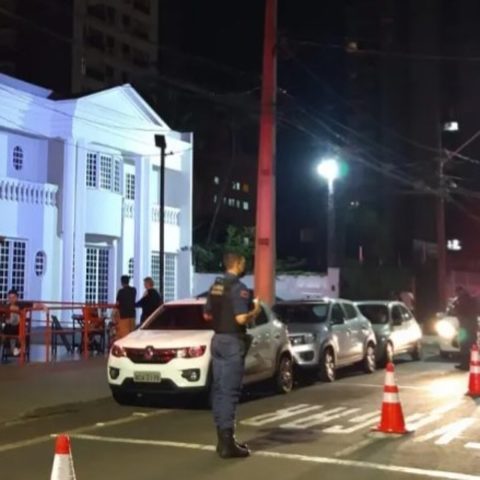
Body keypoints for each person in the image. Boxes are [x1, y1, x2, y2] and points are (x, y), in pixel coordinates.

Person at [203, 252, 261, 459]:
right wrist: (255, 310)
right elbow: (240, 318)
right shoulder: (238, 289)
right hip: (231, 342)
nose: (245, 266)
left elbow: (207, 314)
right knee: (229, 392)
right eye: (243, 263)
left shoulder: (215, 287)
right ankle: (228, 444)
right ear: (236, 264)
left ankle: (222, 440)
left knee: (219, 390)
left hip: (217, 340)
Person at [453, 286, 479, 370]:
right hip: (472, 326)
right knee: (472, 345)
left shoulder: (461, 300)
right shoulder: (472, 299)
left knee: (464, 346)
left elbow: (460, 312)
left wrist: (456, 306)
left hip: (464, 327)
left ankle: (465, 365)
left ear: (459, 292)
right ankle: (474, 362)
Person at [116, 275, 137, 339]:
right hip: (132, 315)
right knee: (132, 334)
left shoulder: (121, 291)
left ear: (122, 282)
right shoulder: (133, 290)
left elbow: (117, 303)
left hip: (123, 315)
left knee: (124, 336)